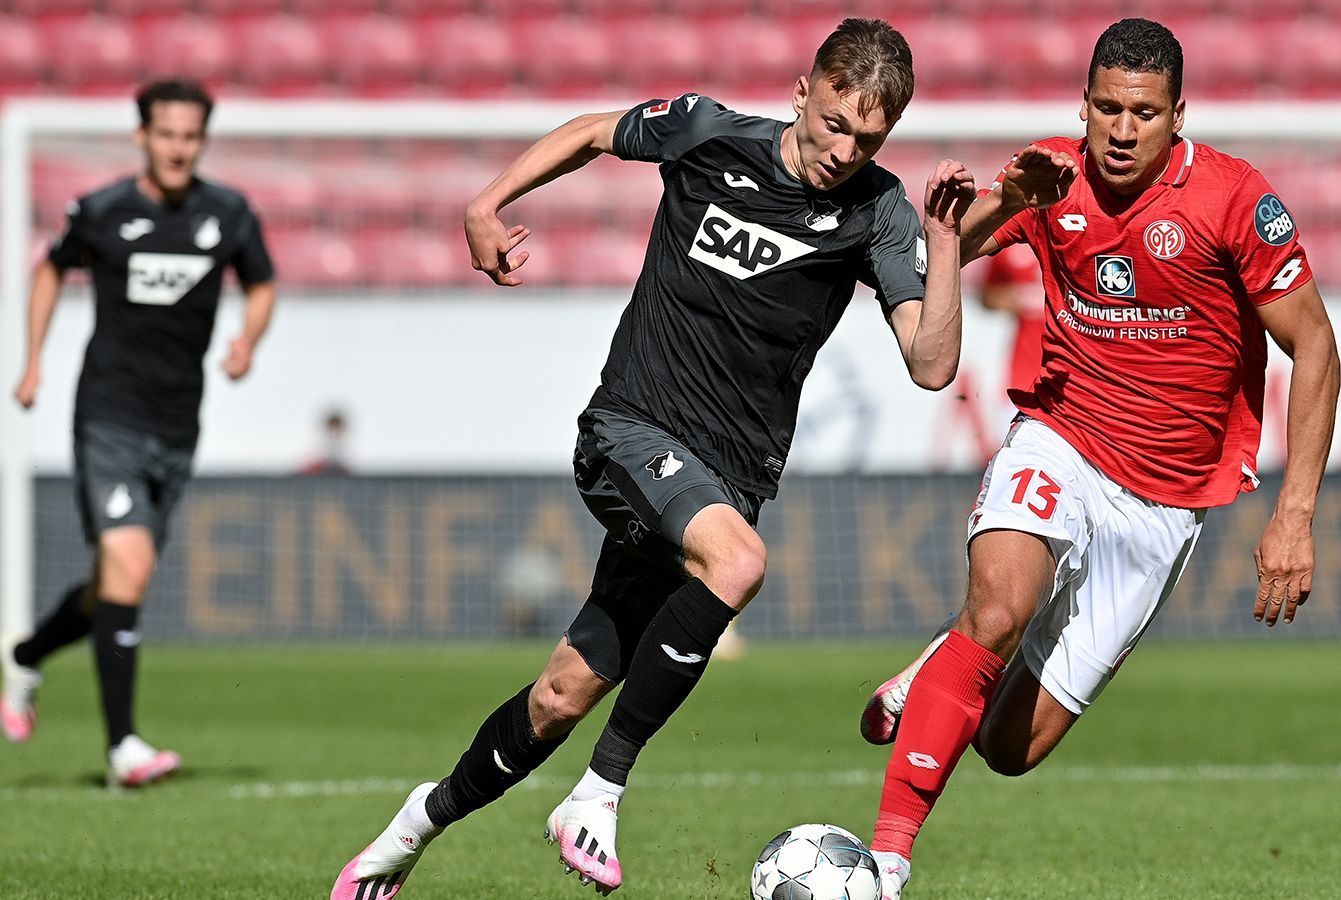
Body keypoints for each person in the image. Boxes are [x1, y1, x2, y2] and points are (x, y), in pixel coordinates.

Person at [330, 18, 975, 899]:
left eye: (869, 137)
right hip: (629, 432)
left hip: (723, 481)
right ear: (803, 93)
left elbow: (932, 364)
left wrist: (944, 249)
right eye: (834, 122)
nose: (843, 149)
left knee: (560, 695)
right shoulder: (710, 136)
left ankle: (409, 831)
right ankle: (597, 793)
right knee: (739, 564)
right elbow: (595, 131)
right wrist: (488, 202)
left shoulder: (880, 213)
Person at [852, 19, 1341, 898]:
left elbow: (1317, 347)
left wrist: (1296, 513)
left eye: (1143, 113)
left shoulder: (1236, 201)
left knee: (1009, 747)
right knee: (998, 607)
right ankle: (885, 865)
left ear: (1178, 115)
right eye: (1107, 108)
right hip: (1064, 435)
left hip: (1164, 504)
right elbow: (943, 258)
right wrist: (1004, 201)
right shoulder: (1051, 170)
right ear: (1083, 105)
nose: (1121, 130)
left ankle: (938, 666)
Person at [0, 79, 277, 787]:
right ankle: (123, 746)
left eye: (191, 136)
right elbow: (48, 272)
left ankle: (27, 656)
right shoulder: (103, 211)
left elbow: (263, 283)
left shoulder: (229, 214)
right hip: (110, 416)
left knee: (110, 583)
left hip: (177, 425)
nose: (179, 148)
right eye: (167, 134)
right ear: (142, 137)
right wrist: (30, 361)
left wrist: (247, 337)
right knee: (131, 567)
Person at [979, 243, 1047, 402]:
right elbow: (986, 295)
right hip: (1024, 372)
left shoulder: (1081, 241)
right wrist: (1019, 298)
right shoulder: (1009, 247)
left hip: (1074, 374)